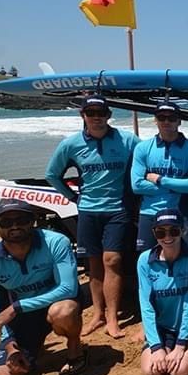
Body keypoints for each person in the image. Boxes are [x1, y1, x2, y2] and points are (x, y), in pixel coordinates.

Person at [46, 95, 139, 338]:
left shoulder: (127, 140)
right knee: (94, 263)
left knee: (113, 260)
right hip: (88, 210)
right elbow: (52, 174)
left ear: (109, 115)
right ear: (83, 116)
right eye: (91, 113)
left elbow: (148, 158)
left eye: (101, 113)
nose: (96, 117)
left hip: (118, 209)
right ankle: (97, 314)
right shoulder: (71, 144)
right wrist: (73, 197)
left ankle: (112, 317)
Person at [0, 199, 84, 375]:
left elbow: (68, 289)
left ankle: (75, 349)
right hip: (23, 320)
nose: (15, 226)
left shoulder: (56, 242)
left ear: (32, 221)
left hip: (57, 305)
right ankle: (33, 348)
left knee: (63, 312)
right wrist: (10, 346)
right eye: (6, 222)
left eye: (21, 219)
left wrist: (17, 307)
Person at [137, 209, 188, 375]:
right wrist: (157, 347)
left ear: (182, 230)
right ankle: (166, 347)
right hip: (163, 328)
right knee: (152, 373)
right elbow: (146, 305)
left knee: (178, 373)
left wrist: (181, 344)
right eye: (161, 232)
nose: (167, 237)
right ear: (154, 233)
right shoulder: (145, 260)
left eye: (173, 231)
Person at [131, 102, 188, 252]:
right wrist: (177, 187)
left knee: (182, 261)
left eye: (172, 118)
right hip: (149, 213)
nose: (166, 122)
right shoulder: (142, 148)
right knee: (146, 259)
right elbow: (137, 186)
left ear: (179, 121)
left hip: (179, 213)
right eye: (162, 118)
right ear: (155, 120)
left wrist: (161, 180)